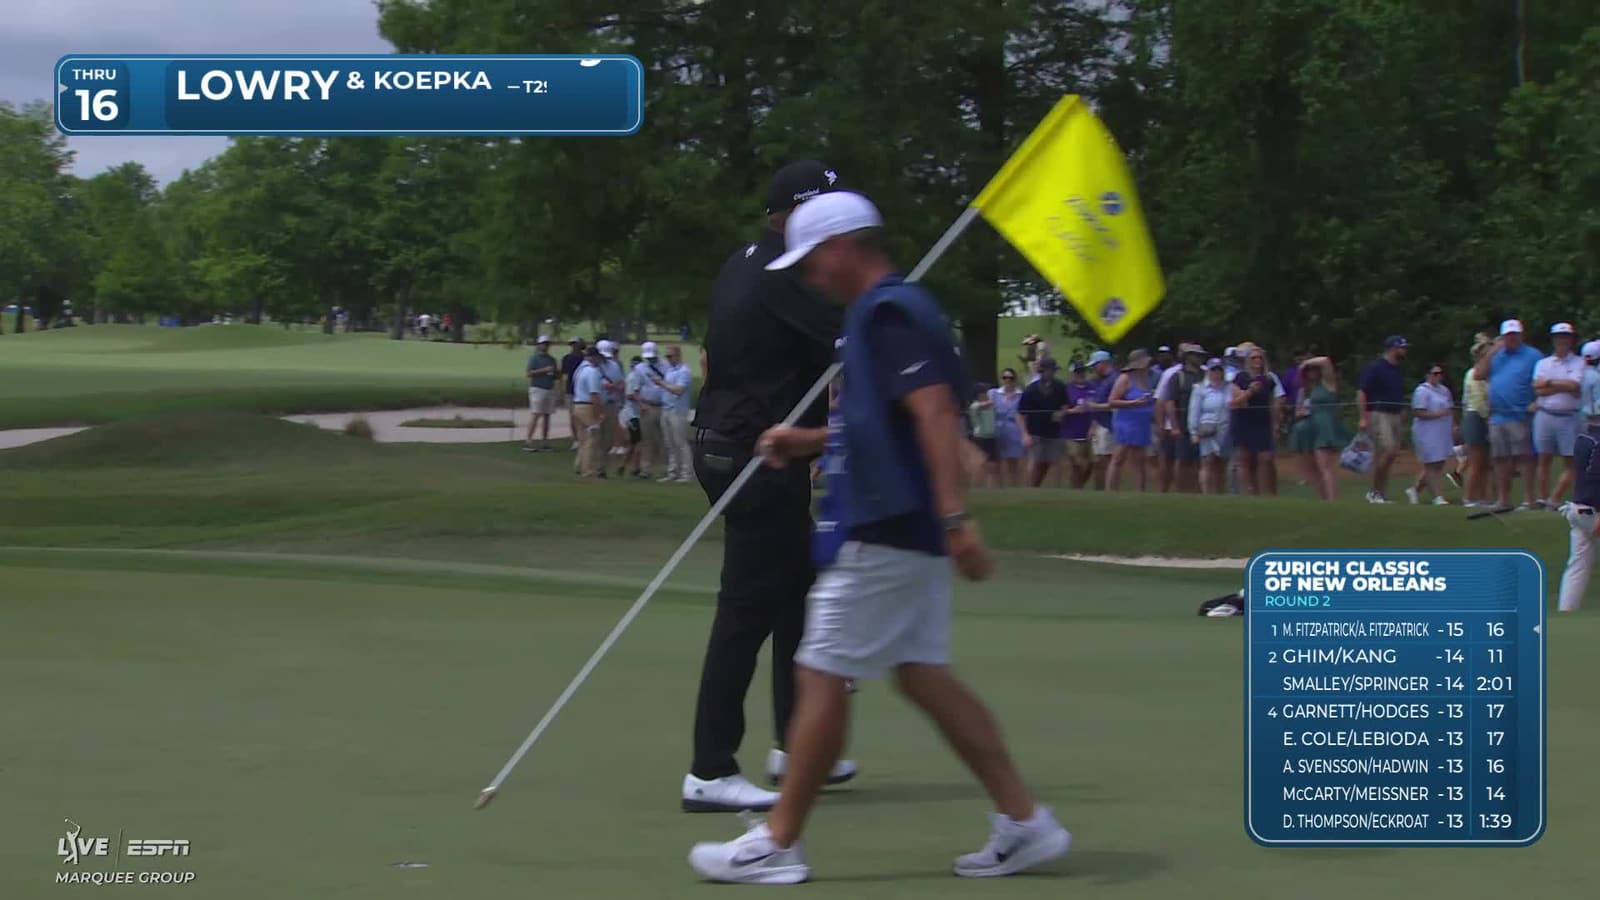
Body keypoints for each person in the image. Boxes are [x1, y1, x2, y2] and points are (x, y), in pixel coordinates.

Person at [689, 190, 1070, 884]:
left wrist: (957, 520)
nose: (808, 276)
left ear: (843, 248)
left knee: (820, 671)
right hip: (900, 522)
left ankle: (778, 841)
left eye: (812, 261)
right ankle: (1026, 822)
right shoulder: (884, 313)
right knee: (922, 676)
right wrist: (807, 441)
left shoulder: (887, 313)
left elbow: (932, 414)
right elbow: (881, 422)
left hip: (883, 524)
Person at [684, 160, 854, 813]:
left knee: (795, 597)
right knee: (747, 611)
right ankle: (709, 768)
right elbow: (850, 341)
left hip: (730, 442)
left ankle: (796, 744)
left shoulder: (744, 261)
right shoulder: (788, 270)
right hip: (755, 454)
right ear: (798, 212)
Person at [1475, 319, 1542, 511]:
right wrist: (1492, 351)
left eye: (1515, 335)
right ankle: (1503, 500)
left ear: (1521, 335)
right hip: (1498, 415)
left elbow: (1542, 379)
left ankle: (1529, 500)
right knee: (1500, 459)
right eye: (1507, 336)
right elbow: (1478, 374)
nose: (1511, 339)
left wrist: (1537, 402)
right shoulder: (1496, 355)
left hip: (1521, 414)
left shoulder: (1533, 355)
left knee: (1525, 458)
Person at [1533, 322, 1585, 509]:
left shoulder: (1579, 362)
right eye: (1559, 337)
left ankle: (1554, 499)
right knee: (1543, 458)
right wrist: (1563, 385)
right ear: (1554, 339)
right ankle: (1542, 498)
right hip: (1545, 414)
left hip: (1569, 416)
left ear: (1571, 340)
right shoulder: (1543, 363)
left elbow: (1576, 386)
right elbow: (1538, 389)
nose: (1562, 340)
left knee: (1570, 461)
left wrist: (1549, 383)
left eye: (1566, 337)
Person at [1358, 336, 1410, 503]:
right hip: (1379, 413)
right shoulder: (1376, 367)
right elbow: (1362, 392)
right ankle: (1374, 491)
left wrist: (1402, 411)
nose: (1404, 350)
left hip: (1395, 413)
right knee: (1387, 451)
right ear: (1393, 348)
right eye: (1402, 347)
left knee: (1391, 454)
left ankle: (1380, 492)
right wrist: (1363, 417)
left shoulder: (1397, 369)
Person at [1558, 410, 1600, 612]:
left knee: (1578, 565)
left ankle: (1566, 611)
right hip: (1593, 511)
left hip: (1577, 510)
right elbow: (1596, 480)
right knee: (1579, 564)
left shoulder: (1584, 439)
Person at [1295, 356, 1347, 502]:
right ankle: (1321, 500)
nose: (1311, 372)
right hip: (1309, 426)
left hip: (1324, 425)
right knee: (1313, 468)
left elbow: (1325, 361)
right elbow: (1297, 411)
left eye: (1313, 369)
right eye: (1308, 370)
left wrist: (1305, 363)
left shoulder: (1328, 383)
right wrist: (1303, 413)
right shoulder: (1305, 390)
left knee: (1325, 465)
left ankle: (1332, 500)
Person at [1231, 345, 1281, 496]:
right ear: (1248, 361)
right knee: (1245, 459)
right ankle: (1248, 493)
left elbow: (1273, 402)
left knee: (1265, 458)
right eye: (1253, 358)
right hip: (1244, 420)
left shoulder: (1269, 379)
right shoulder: (1241, 377)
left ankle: (1266, 493)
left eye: (1260, 358)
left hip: (1263, 421)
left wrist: (1276, 423)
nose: (1257, 360)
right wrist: (1250, 391)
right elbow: (1235, 402)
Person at [1156, 344, 1206, 492]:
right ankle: (1181, 490)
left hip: (1201, 424)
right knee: (1182, 460)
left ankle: (1197, 490)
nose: (1199, 358)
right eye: (1196, 355)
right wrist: (1174, 426)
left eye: (1200, 355)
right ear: (1188, 357)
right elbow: (1169, 402)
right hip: (1182, 423)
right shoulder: (1177, 376)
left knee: (1200, 460)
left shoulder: (1205, 375)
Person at [1407, 364, 1456, 505]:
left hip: (1442, 430)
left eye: (1440, 373)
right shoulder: (1422, 391)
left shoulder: (1444, 390)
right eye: (1434, 373)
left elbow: (1450, 408)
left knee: (1439, 462)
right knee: (1430, 463)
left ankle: (1415, 490)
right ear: (1428, 375)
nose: (1438, 376)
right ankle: (1437, 496)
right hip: (1426, 431)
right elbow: (1418, 411)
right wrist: (1437, 414)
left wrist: (1454, 425)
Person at [1107, 349, 1155, 491]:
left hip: (1142, 423)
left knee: (1140, 460)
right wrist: (1133, 403)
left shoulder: (1147, 378)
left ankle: (1139, 491)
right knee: (1118, 457)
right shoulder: (1125, 378)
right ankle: (1110, 490)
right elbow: (1112, 401)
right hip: (1126, 422)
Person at [1019, 358, 1070, 487]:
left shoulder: (1060, 386)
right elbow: (1020, 413)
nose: (1051, 373)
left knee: (1052, 461)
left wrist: (1061, 413)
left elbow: (1065, 405)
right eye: (1049, 370)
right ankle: (1029, 487)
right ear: (1042, 371)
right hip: (1034, 431)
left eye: (1053, 370)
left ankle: (1052, 489)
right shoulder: (1031, 390)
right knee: (1035, 460)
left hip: (1054, 431)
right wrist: (1025, 434)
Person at [652, 344, 696, 483]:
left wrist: (662, 384)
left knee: (680, 442)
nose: (668, 359)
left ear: (678, 356)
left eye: (670, 356)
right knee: (670, 443)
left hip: (678, 411)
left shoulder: (684, 371)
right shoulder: (670, 371)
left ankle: (686, 473)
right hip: (666, 409)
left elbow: (679, 390)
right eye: (667, 356)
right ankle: (673, 472)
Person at [1189, 359, 1232, 494]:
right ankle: (1206, 493)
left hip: (1225, 428)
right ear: (1208, 371)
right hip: (1207, 427)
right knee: (1207, 461)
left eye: (1219, 370)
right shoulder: (1200, 388)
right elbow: (1194, 411)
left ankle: (1220, 492)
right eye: (1213, 370)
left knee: (1222, 463)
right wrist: (1193, 431)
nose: (1216, 373)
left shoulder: (1229, 387)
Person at [1460, 335, 1494, 508]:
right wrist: (1488, 420)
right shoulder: (1473, 374)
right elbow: (1478, 400)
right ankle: (1468, 497)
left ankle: (1483, 496)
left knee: (1485, 462)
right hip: (1476, 416)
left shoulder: (1489, 375)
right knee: (1475, 460)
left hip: (1485, 417)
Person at [572, 345, 607, 478]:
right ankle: (588, 469)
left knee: (582, 439)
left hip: (577, 405)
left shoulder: (580, 370)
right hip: (587, 407)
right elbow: (594, 395)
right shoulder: (593, 372)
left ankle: (579, 465)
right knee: (592, 439)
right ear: (595, 357)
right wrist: (599, 413)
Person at [989, 370, 1028, 486]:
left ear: (1014, 380)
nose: (1007, 380)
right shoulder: (994, 393)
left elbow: (1023, 414)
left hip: (1014, 428)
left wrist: (1024, 432)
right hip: (997, 427)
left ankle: (1013, 485)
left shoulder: (1021, 395)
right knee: (996, 460)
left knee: (1013, 460)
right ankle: (997, 487)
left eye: (1010, 378)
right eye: (1005, 378)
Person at [636, 342, 669, 479]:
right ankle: (646, 469)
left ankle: (666, 468)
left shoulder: (666, 366)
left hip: (663, 405)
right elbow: (636, 389)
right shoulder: (639, 369)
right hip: (647, 406)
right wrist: (641, 404)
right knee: (647, 439)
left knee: (663, 439)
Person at [1061, 363, 1097, 488]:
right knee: (1077, 462)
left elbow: (1097, 409)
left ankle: (1078, 487)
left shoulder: (1092, 387)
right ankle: (1076, 487)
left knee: (1091, 463)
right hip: (1071, 431)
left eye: (1082, 371)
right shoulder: (1066, 389)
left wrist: (1093, 426)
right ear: (1072, 373)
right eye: (1077, 372)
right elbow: (1058, 411)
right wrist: (1072, 411)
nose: (1080, 374)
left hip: (1088, 429)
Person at [523, 335, 560, 452]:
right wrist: (544, 370)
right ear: (539, 345)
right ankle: (529, 440)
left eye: (547, 344)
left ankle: (545, 441)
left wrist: (556, 373)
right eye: (543, 344)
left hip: (549, 388)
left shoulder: (552, 359)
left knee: (547, 415)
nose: (545, 346)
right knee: (536, 414)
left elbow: (555, 376)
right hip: (537, 388)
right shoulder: (534, 358)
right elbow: (529, 373)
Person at [1087, 350, 1117, 489]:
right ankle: (1099, 490)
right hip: (1099, 424)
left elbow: (1116, 404)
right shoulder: (1102, 380)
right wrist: (1093, 426)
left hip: (1109, 424)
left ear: (1104, 363)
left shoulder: (1114, 379)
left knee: (1107, 458)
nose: (1093, 368)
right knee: (1098, 459)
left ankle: (1109, 489)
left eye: (1095, 365)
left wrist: (1096, 406)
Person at [597, 340, 627, 474]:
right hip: (598, 404)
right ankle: (592, 465)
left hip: (611, 403)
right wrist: (607, 386)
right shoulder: (592, 368)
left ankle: (603, 467)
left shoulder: (614, 365)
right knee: (595, 437)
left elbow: (621, 383)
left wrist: (615, 387)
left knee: (608, 437)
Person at [621, 355, 649, 478]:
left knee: (635, 443)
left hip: (636, 414)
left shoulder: (635, 377)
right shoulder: (633, 377)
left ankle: (628, 466)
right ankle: (634, 467)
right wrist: (642, 402)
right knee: (637, 443)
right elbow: (629, 395)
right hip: (633, 414)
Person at [967, 385, 999, 487]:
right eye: (984, 393)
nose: (986, 395)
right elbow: (983, 406)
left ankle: (991, 489)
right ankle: (975, 487)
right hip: (980, 437)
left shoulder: (990, 406)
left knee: (993, 465)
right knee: (980, 464)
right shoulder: (974, 406)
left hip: (991, 437)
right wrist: (992, 400)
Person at [561, 338, 588, 450]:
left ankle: (584, 438)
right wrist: (561, 390)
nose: (573, 347)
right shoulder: (567, 358)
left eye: (576, 344)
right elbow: (564, 375)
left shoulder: (585, 359)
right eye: (572, 345)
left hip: (583, 391)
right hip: (570, 390)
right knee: (573, 416)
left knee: (584, 416)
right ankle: (576, 439)